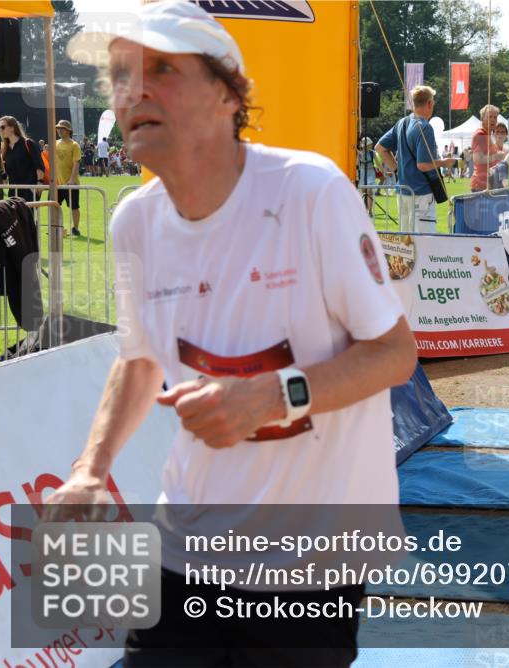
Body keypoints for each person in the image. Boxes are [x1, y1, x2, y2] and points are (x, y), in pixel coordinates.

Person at [50, 3, 417, 666]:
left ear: (227, 93)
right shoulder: (133, 221)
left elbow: (394, 354)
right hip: (185, 544)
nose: (134, 91)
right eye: (121, 75)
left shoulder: (310, 192)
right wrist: (88, 472)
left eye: (161, 68)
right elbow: (138, 362)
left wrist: (274, 396)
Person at [376, 85, 456, 233]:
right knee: (424, 241)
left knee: (406, 241)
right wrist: (446, 162)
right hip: (421, 193)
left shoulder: (402, 122)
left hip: (403, 191)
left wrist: (397, 170)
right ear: (429, 104)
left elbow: (379, 148)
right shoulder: (425, 127)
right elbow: (423, 165)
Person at [0, 116, 44, 202]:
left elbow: (39, 165)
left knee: (29, 215)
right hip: (13, 191)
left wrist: (39, 182)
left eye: (3, 127)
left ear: (12, 128)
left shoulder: (28, 143)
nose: (0, 130)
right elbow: (5, 169)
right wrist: (3, 177)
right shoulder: (4, 148)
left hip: (30, 189)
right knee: (15, 215)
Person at [469, 104, 507, 191]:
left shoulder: (487, 134)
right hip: (481, 185)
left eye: (495, 117)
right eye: (490, 117)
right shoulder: (481, 134)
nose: (493, 120)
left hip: (488, 183)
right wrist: (496, 156)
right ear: (482, 118)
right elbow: (477, 159)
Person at [54, 119, 83, 236]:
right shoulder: (55, 143)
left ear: (68, 131)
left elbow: (77, 163)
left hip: (71, 183)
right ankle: (57, 227)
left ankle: (75, 228)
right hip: (57, 183)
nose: (59, 130)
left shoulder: (74, 145)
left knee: (74, 207)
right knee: (53, 205)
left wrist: (71, 179)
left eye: (62, 128)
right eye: (58, 128)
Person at [357, 136, 380, 215]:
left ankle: (370, 211)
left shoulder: (372, 153)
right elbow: (356, 164)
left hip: (371, 173)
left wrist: (383, 172)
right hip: (362, 173)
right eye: (369, 144)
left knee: (370, 191)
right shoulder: (359, 153)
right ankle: (364, 210)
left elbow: (378, 163)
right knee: (363, 193)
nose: (371, 145)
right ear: (365, 145)